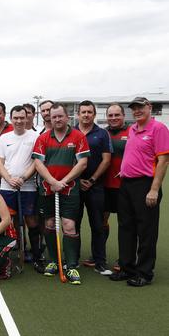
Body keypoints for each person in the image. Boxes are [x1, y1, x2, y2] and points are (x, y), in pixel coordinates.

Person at [110, 97, 169, 287]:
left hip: (145, 185)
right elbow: (136, 154)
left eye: (140, 107)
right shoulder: (133, 129)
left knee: (146, 231)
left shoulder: (158, 128)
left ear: (149, 107)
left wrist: (154, 189)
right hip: (126, 183)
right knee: (125, 228)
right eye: (134, 108)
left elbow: (163, 161)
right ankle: (127, 269)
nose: (137, 111)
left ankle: (144, 273)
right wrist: (125, 170)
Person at [33, 103, 89, 285]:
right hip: (48, 188)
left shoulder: (78, 136)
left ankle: (71, 265)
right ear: (49, 117)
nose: (57, 119)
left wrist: (63, 182)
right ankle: (53, 261)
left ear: (67, 117)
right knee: (49, 223)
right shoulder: (42, 138)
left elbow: (82, 163)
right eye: (53, 116)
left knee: (69, 225)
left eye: (60, 116)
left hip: (70, 189)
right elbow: (38, 164)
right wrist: (52, 182)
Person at [0, 105, 42, 271]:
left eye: (23, 117)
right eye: (16, 118)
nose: (20, 121)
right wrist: (9, 178)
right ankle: (14, 252)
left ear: (27, 117)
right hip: (7, 187)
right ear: (11, 118)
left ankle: (36, 256)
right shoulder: (4, 138)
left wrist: (22, 178)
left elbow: (37, 161)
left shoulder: (35, 137)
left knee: (31, 221)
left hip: (27, 187)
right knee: (11, 221)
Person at [75, 100, 113, 276]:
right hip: (74, 186)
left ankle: (100, 262)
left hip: (95, 186)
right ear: (78, 114)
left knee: (97, 225)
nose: (86, 115)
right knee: (72, 225)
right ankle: (72, 260)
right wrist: (77, 179)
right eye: (83, 112)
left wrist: (91, 179)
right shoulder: (71, 132)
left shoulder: (102, 133)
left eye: (89, 112)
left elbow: (106, 160)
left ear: (94, 114)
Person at [103, 103, 130, 272]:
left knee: (125, 224)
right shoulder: (102, 133)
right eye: (110, 115)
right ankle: (99, 255)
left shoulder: (131, 132)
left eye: (116, 115)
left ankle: (124, 258)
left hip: (124, 187)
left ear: (123, 116)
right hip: (104, 186)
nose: (113, 118)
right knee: (101, 222)